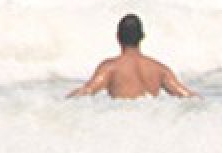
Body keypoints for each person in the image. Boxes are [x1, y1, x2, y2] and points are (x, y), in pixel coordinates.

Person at [67, 14, 197, 99]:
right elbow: (188, 96)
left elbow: (87, 92)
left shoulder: (110, 68)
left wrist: (58, 106)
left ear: (118, 37)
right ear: (142, 37)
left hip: (125, 128)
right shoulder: (159, 69)